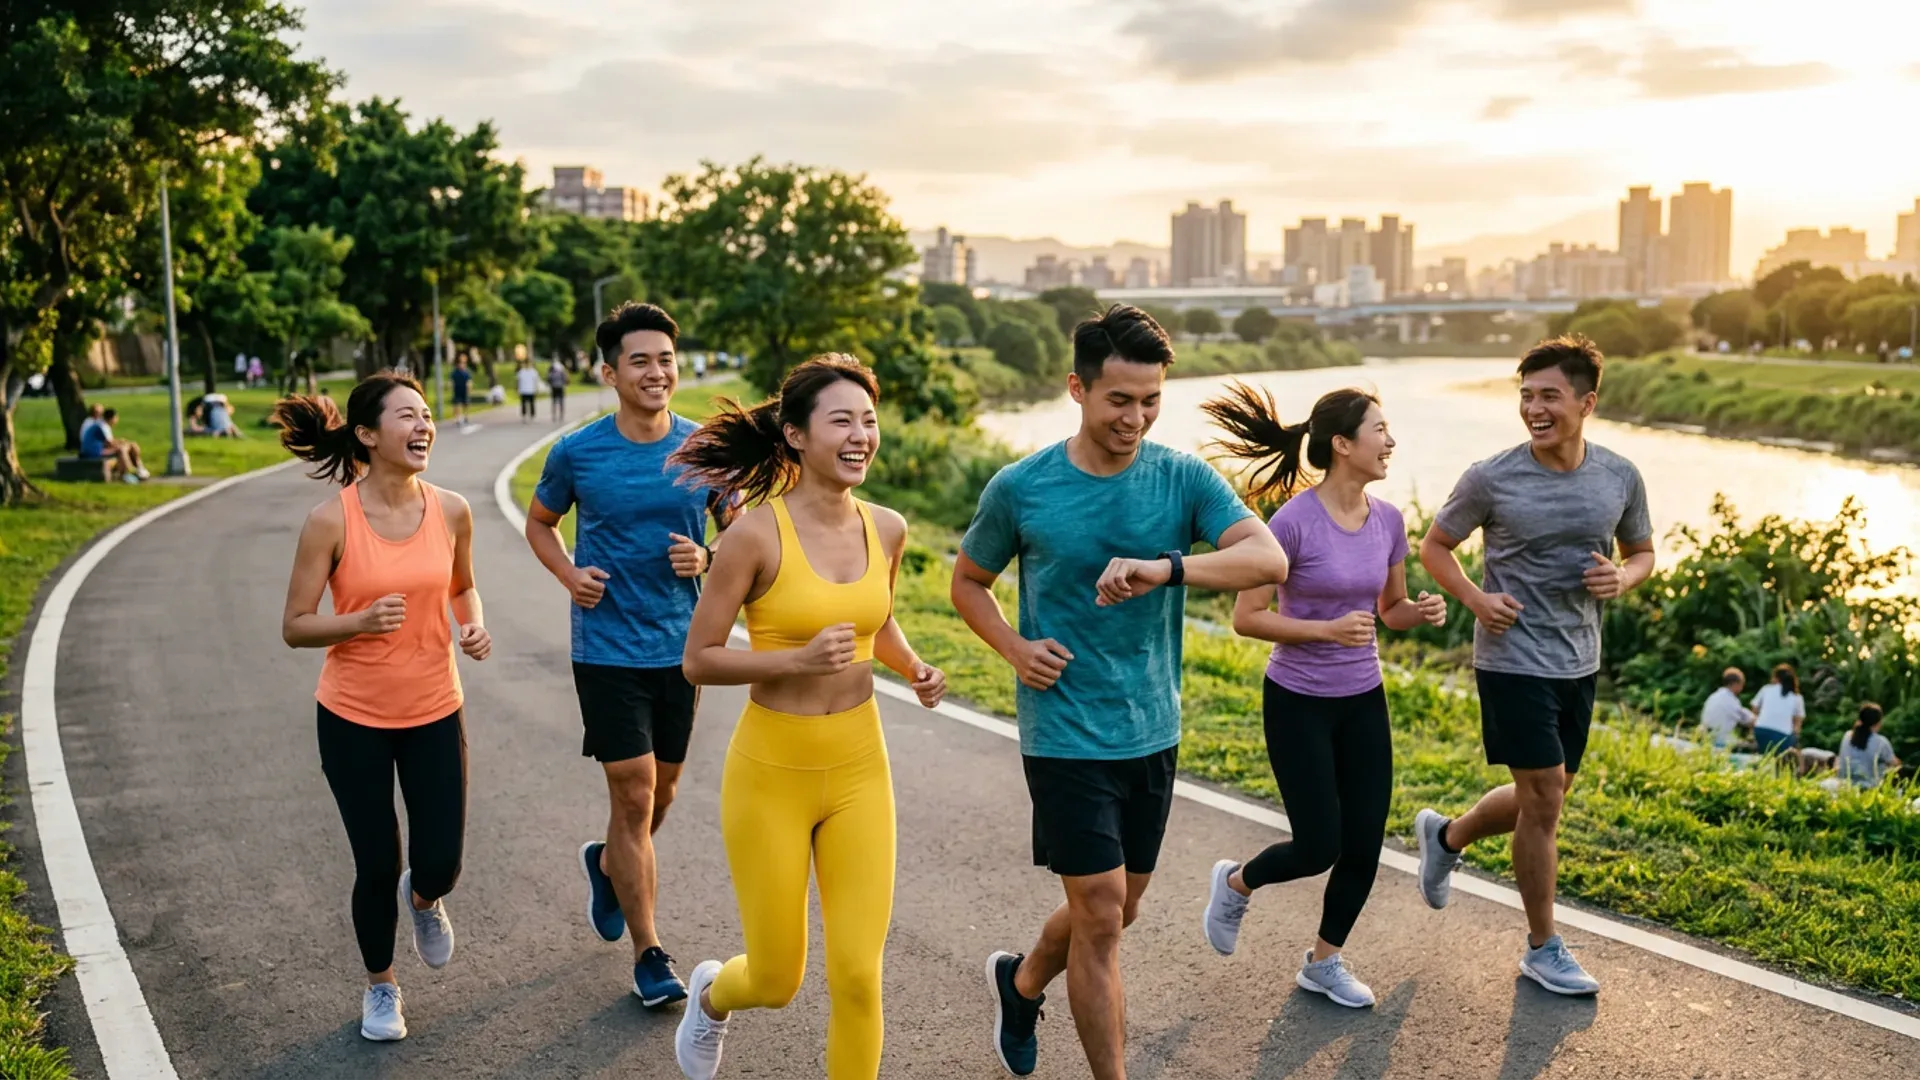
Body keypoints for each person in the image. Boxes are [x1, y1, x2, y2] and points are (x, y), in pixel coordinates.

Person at [950, 305, 1287, 1079]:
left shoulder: (1182, 478)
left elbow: (1268, 561)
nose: (1135, 418)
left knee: (1120, 908)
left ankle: (1023, 979)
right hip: (1064, 731)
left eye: (1150, 400)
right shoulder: (1023, 488)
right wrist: (1013, 646)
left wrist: (1165, 566)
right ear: (1077, 388)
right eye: (1119, 400)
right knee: (1101, 915)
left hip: (1152, 728)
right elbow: (969, 581)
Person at [667, 355, 948, 1080]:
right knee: (777, 977)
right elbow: (698, 659)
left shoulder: (887, 527)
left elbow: (871, 622)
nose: (861, 435)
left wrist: (911, 666)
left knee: (858, 974)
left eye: (870, 420)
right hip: (772, 772)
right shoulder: (753, 537)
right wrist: (792, 660)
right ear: (794, 435)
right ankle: (713, 993)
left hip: (860, 765)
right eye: (842, 421)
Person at [1412, 335, 1655, 998]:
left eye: (1549, 395)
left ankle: (1447, 835)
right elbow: (1436, 547)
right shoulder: (1492, 476)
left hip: (1579, 660)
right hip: (1511, 657)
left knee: (1540, 798)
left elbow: (1641, 551)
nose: (1534, 408)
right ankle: (1543, 947)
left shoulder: (1619, 475)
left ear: (1587, 401)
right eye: (1526, 396)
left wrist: (1624, 579)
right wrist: (1475, 598)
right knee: (1545, 796)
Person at [1196, 384, 1447, 1009]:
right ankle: (1236, 882)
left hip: (1364, 698)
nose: (1391, 441)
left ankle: (1324, 961)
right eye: (1380, 430)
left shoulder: (1389, 520)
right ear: (1343, 444)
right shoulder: (1293, 522)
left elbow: (1388, 610)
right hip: (1298, 700)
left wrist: (1419, 611)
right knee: (1319, 845)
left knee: (1364, 843)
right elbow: (1247, 616)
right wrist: (1324, 630)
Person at [525, 303, 736, 1008]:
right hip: (607, 648)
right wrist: (568, 573)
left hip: (682, 648)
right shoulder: (578, 453)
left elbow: (742, 537)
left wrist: (707, 553)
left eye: (666, 359)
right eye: (640, 360)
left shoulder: (704, 449)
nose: (656, 371)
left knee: (661, 797)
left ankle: (610, 863)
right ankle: (650, 953)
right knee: (637, 791)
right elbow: (541, 522)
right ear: (609, 371)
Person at [273, 373, 492, 1042]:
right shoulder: (330, 520)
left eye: (427, 416)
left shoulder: (452, 509)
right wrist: (358, 622)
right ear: (368, 435)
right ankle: (381, 987)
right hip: (352, 717)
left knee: (440, 860)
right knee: (376, 861)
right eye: (408, 416)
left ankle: (424, 899)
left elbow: (465, 587)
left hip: (434, 707)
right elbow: (296, 624)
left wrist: (472, 624)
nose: (424, 426)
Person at [1836, 703, 1900, 788]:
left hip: (1844, 787)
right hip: (1869, 790)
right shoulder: (1881, 742)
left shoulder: (1847, 736)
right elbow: (1896, 764)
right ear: (1878, 722)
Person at [1751, 663, 1806, 756]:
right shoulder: (1797, 697)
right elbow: (1798, 723)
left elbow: (1754, 708)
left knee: (1763, 754)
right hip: (1782, 736)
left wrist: (1756, 724)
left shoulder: (1766, 689)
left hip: (1761, 730)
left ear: (1776, 678)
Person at [82, 407, 149, 482]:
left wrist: (123, 442)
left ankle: (137, 469)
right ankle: (128, 472)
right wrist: (123, 443)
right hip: (94, 451)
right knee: (121, 450)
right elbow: (110, 443)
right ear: (112, 418)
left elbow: (108, 442)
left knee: (127, 446)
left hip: (94, 449)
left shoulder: (101, 424)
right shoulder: (103, 426)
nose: (117, 420)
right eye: (116, 418)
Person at [1699, 668, 1753, 751]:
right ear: (1736, 684)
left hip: (1705, 738)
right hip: (1720, 741)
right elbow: (1748, 720)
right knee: (1751, 747)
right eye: (1742, 685)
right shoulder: (1730, 700)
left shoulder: (1713, 696)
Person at [450, 355, 473, 429]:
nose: (461, 364)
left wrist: (469, 389)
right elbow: (452, 381)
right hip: (457, 390)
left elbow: (469, 381)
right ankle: (457, 418)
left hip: (464, 390)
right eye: (460, 363)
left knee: (465, 404)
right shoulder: (455, 372)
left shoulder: (467, 372)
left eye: (463, 363)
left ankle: (466, 416)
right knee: (457, 404)